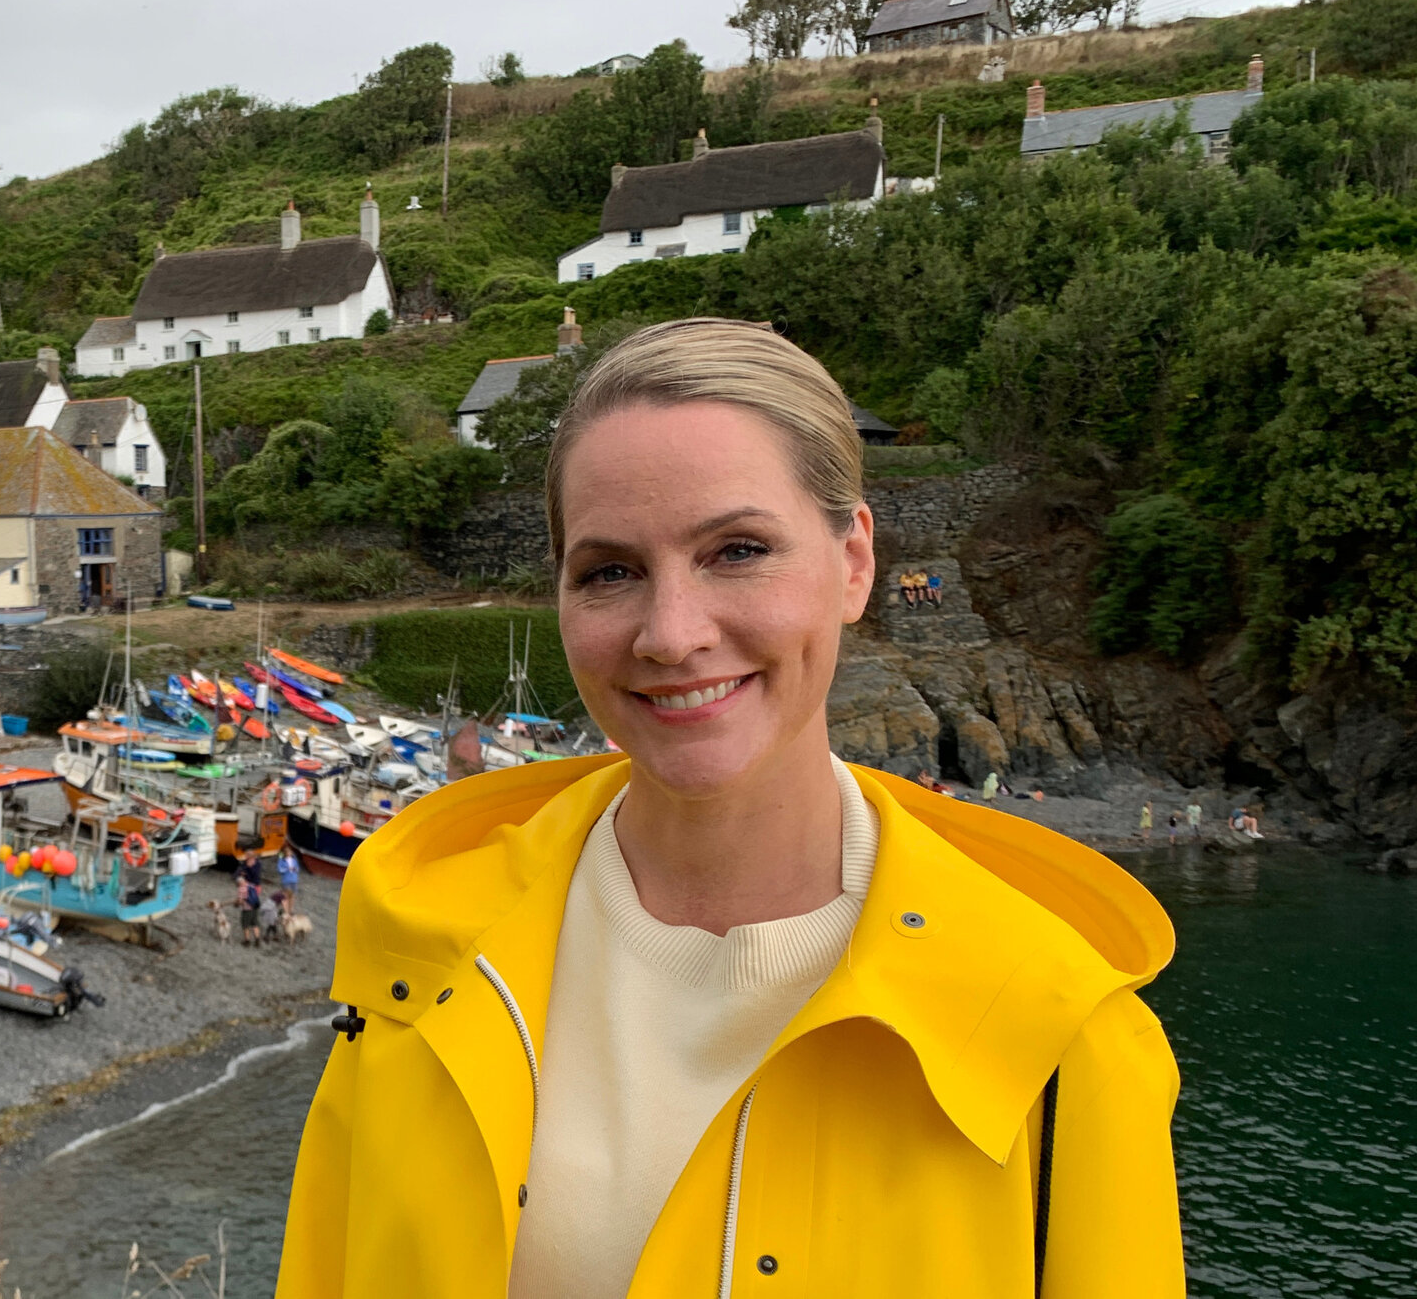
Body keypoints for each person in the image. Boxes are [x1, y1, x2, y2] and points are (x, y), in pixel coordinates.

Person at [277, 319, 1182, 1298]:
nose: (671, 635)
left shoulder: (1055, 1032)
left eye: (738, 550)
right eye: (610, 572)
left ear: (854, 562)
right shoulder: (421, 954)